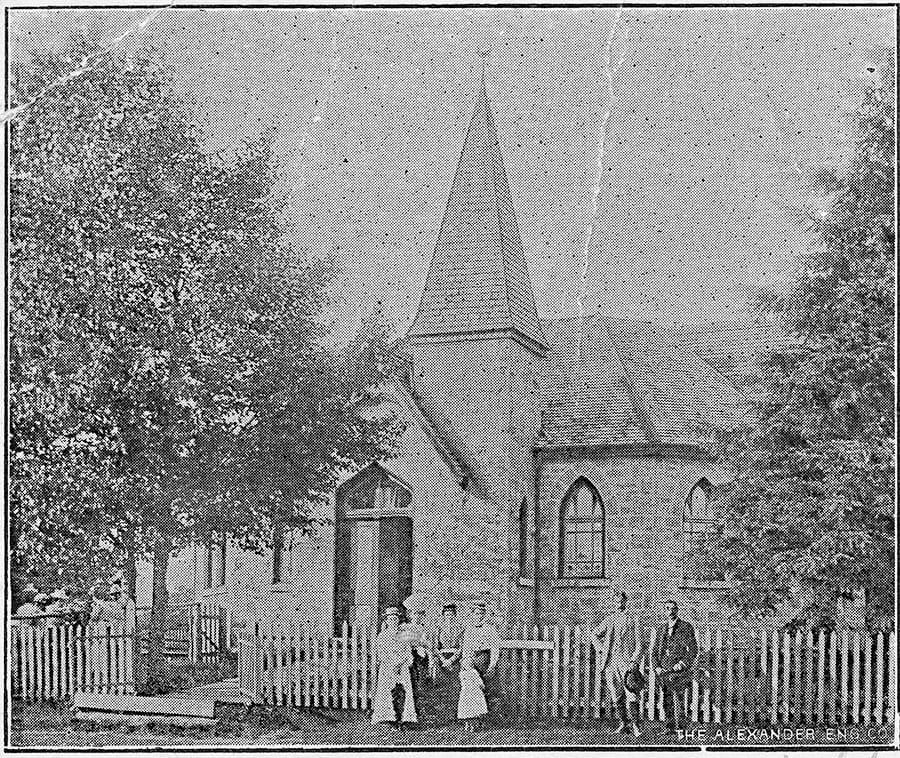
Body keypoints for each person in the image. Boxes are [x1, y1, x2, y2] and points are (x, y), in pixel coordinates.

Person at [591, 591, 645, 736]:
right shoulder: (609, 619)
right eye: (616, 601)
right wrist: (602, 649)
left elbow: (640, 644)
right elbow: (594, 634)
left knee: (631, 693)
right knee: (616, 694)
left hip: (627, 662)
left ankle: (636, 726)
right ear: (613, 602)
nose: (618, 603)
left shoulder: (634, 619)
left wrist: (634, 661)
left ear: (626, 601)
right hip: (611, 662)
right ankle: (623, 724)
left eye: (621, 601)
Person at [651, 599, 697, 736]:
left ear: (677, 610)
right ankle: (669, 727)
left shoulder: (685, 627)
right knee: (666, 699)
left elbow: (693, 649)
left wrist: (682, 664)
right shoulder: (661, 629)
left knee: (680, 699)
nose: (670, 611)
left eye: (673, 609)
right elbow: (654, 652)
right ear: (664, 611)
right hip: (664, 671)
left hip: (678, 670)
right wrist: (656, 667)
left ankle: (682, 728)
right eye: (667, 608)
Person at [371, 607, 417, 727]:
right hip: (388, 668)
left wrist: (401, 662)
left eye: (395, 619)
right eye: (390, 619)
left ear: (398, 620)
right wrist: (393, 663)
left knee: (403, 691)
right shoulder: (382, 636)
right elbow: (381, 654)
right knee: (387, 691)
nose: (393, 621)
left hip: (402, 668)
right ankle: (389, 717)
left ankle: (404, 717)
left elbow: (408, 652)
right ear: (386, 621)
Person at [460, 599, 501, 726]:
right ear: (472, 615)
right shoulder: (469, 630)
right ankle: (471, 717)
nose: (479, 616)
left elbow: (495, 648)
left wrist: (492, 664)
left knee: (486, 688)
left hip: (485, 658)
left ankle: (486, 719)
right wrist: (466, 663)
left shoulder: (490, 629)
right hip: (471, 660)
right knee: (470, 687)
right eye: (477, 614)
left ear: (485, 615)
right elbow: (466, 648)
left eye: (482, 614)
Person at [432, 602, 464, 725]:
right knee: (443, 685)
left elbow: (462, 647)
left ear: (455, 615)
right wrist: (443, 659)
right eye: (447, 613)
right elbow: (435, 646)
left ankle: (455, 716)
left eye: (451, 614)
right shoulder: (438, 627)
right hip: (442, 658)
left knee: (455, 686)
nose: (449, 616)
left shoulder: (460, 627)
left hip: (455, 658)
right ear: (443, 614)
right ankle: (443, 717)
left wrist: (452, 659)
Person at [399, 598, 430, 720]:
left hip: (419, 659)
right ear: (410, 615)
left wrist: (422, 648)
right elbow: (400, 640)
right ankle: (402, 714)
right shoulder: (404, 627)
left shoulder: (422, 629)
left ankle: (415, 714)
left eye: (419, 614)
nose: (417, 616)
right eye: (414, 613)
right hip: (406, 657)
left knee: (417, 684)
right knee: (404, 684)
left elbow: (425, 644)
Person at [457, 657, 488, 732]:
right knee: (473, 709)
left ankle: (469, 726)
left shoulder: (462, 673)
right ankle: (471, 726)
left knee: (468, 709)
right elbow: (479, 682)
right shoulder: (473, 672)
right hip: (473, 692)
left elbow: (463, 684)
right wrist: (482, 687)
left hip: (467, 693)